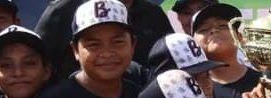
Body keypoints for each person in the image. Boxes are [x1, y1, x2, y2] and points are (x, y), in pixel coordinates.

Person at [34, 0, 174, 78]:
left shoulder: (154, 14)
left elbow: (171, 67)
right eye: (93, 43)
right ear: (75, 49)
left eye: (118, 41)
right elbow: (35, 65)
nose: (107, 53)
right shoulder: (63, 10)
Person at [192, 3, 259, 98]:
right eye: (204, 29)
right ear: (193, 43)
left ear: (239, 36)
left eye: (223, 26)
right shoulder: (193, 89)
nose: (214, 30)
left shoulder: (262, 82)